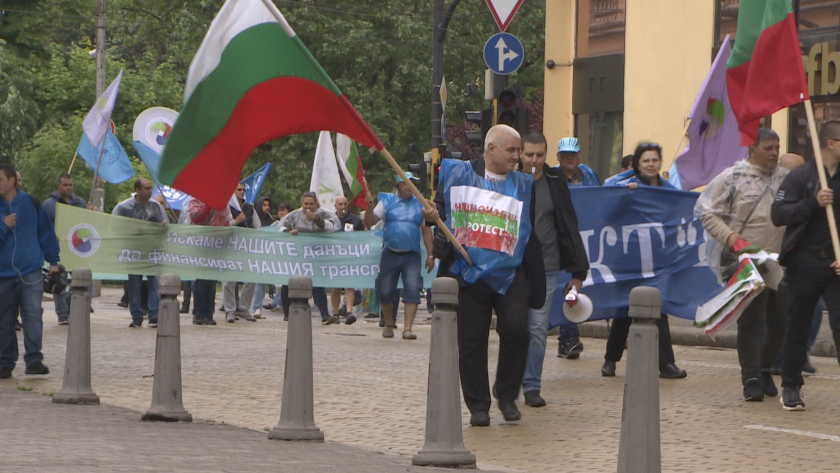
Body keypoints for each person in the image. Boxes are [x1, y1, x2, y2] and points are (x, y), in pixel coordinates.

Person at [434, 124, 546, 426]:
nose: (517, 156)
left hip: (511, 274)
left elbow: (527, 229)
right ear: (491, 149)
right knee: (471, 341)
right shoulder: (458, 174)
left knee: (517, 329)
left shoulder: (524, 184)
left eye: (518, 150)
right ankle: (478, 406)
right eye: (512, 150)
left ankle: (507, 394)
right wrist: (436, 221)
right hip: (468, 272)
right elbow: (441, 210)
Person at [698, 128, 789, 401]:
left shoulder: (786, 180)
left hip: (780, 261)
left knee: (781, 321)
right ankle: (750, 377)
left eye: (777, 147)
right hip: (746, 261)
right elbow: (708, 214)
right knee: (752, 321)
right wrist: (732, 238)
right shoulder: (731, 179)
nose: (774, 153)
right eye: (768, 148)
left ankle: (764, 365)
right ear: (752, 149)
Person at [600, 142, 687, 379]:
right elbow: (606, 211)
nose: (651, 164)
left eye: (654, 160)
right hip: (629, 260)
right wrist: (623, 196)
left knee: (659, 309)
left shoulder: (668, 190)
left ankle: (666, 363)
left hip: (658, 261)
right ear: (637, 163)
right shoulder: (624, 187)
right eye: (646, 160)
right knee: (624, 310)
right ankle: (611, 359)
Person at [771, 119, 840, 411]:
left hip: (835, 264)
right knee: (798, 324)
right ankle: (790, 385)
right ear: (831, 143)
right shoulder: (801, 177)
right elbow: (779, 214)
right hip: (804, 262)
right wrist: (813, 203)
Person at [518, 132, 589, 408]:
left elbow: (569, 225)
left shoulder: (556, 183)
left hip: (546, 266)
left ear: (546, 155)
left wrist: (578, 273)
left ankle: (531, 385)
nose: (534, 160)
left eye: (539, 155)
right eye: (529, 155)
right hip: (513, 267)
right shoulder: (510, 181)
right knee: (514, 327)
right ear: (520, 155)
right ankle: (509, 381)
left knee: (537, 327)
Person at [0, 164, 59, 378]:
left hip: (31, 271)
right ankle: (5, 362)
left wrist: (53, 261)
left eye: (0, 180)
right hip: (3, 275)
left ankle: (34, 359)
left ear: (12, 181)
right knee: (4, 320)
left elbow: (46, 233)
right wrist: (4, 226)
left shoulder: (31, 203)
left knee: (33, 315)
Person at [365, 173, 435, 339]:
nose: (411, 187)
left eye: (414, 183)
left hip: (412, 256)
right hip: (390, 253)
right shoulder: (386, 202)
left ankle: (408, 328)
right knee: (385, 291)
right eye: (407, 183)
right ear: (398, 186)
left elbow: (426, 232)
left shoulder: (421, 204)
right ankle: (389, 322)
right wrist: (369, 207)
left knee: (413, 290)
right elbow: (369, 222)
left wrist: (431, 255)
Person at [555, 137, 599, 359]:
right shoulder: (550, 175)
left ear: (580, 155)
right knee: (568, 287)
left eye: (573, 153)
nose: (569, 158)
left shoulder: (589, 175)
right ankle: (568, 338)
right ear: (558, 157)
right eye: (565, 154)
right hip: (563, 240)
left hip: (588, 238)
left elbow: (602, 197)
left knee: (579, 287)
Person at [112, 178, 168, 328]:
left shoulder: (156, 206)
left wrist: (164, 225)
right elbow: (114, 226)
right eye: (146, 188)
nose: (150, 191)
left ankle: (154, 315)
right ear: (137, 190)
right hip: (133, 252)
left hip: (152, 251)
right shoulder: (123, 207)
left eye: (150, 188)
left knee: (154, 283)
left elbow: (166, 224)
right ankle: (136, 316)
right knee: (134, 286)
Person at [278, 191, 340, 323]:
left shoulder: (324, 213)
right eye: (305, 203)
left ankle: (324, 314)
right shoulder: (295, 215)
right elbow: (281, 226)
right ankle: (287, 313)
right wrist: (289, 232)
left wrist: (315, 218)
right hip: (297, 255)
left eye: (311, 204)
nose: (308, 206)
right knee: (288, 282)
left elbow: (333, 226)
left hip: (316, 255)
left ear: (316, 203)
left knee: (317, 284)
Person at [42, 173, 89, 324]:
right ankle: (62, 315)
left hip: (78, 248)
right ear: (58, 186)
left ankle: (72, 307)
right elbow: (43, 227)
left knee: (81, 280)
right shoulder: (48, 205)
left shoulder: (80, 203)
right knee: (60, 281)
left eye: (70, 185)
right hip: (59, 249)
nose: (69, 188)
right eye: (65, 185)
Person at [182, 196, 232, 325]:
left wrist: (228, 229)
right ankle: (199, 313)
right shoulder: (195, 201)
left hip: (216, 247)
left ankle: (209, 313)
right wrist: (208, 206)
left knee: (212, 281)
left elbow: (226, 221)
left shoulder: (224, 205)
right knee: (201, 281)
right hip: (201, 246)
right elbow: (195, 217)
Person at [223, 182, 260, 323]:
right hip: (230, 247)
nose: (242, 192)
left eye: (244, 190)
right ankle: (230, 310)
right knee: (229, 280)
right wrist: (236, 221)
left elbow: (258, 226)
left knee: (251, 277)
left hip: (247, 247)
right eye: (239, 189)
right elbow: (222, 224)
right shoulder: (226, 206)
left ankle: (244, 308)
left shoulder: (249, 207)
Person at [331, 196, 365, 325]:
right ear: (335, 206)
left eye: (345, 204)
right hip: (334, 258)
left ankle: (349, 312)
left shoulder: (355, 220)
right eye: (340, 204)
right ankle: (335, 313)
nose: (343, 207)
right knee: (335, 287)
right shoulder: (331, 220)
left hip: (350, 257)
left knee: (349, 285)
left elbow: (363, 238)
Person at [248, 196, 274, 318]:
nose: (267, 208)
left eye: (268, 205)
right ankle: (256, 308)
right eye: (264, 205)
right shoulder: (255, 218)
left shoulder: (271, 220)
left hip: (268, 254)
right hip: (256, 253)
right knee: (259, 282)